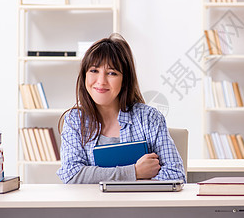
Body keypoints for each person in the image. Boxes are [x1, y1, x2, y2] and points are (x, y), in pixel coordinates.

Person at [56, 33, 185, 184]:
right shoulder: (75, 120)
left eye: (112, 73)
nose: (101, 81)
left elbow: (176, 175)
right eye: (94, 70)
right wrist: (135, 172)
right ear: (84, 75)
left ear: (125, 80)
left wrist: (95, 176)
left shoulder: (149, 118)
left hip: (139, 206)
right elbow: (72, 175)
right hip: (92, 206)